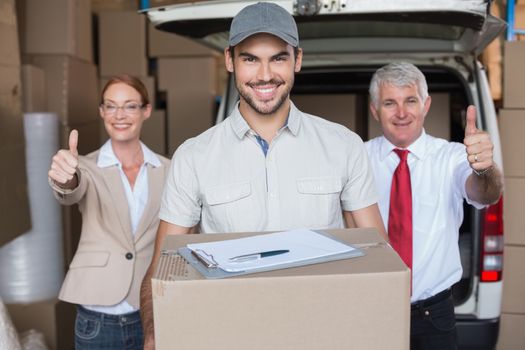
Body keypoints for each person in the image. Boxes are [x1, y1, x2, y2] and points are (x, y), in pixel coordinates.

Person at [140, 2, 386, 348]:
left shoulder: (344, 145)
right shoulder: (194, 157)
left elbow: (378, 253)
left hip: (324, 333)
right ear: (230, 61)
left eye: (278, 58)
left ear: (297, 60)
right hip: (229, 335)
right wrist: (153, 335)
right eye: (250, 58)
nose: (265, 74)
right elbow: (162, 268)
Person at [365, 62, 504, 350]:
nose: (402, 113)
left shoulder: (452, 157)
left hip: (434, 315)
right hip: (370, 307)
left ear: (426, 105)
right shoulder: (357, 159)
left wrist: (484, 168)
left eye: (410, 101)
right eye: (390, 103)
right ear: (375, 110)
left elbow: (486, 193)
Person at [48, 74, 170, 350]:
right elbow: (70, 189)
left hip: (151, 311)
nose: (120, 115)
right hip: (98, 317)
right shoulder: (85, 167)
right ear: (102, 111)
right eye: (111, 106)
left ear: (146, 110)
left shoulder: (169, 169)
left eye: (130, 106)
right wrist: (64, 176)